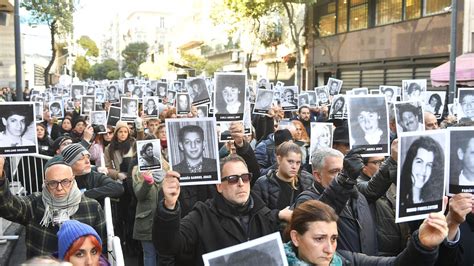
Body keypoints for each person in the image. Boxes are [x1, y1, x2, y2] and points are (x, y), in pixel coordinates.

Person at [153, 155, 282, 265]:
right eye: (233, 179)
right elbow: (168, 246)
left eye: (245, 177)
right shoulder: (201, 217)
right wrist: (169, 207)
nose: (241, 183)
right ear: (219, 186)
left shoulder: (264, 215)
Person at [284, 200, 448, 266]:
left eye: (334, 238)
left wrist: (423, 245)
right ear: (296, 238)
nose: (329, 249)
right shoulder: (272, 261)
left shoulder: (346, 260)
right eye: (319, 239)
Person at [0, 157, 105, 258]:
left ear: (73, 179)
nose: (59, 188)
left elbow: (100, 248)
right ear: (45, 183)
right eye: (53, 183)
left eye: (65, 182)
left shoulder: (92, 207)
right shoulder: (35, 203)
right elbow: (8, 206)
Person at [294, 147, 378, 255]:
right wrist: (344, 180)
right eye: (335, 171)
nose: (341, 175)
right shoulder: (306, 201)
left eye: (344, 170)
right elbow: (321, 215)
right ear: (318, 176)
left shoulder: (358, 197)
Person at [253, 142, 313, 212]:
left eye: (298, 163)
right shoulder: (262, 184)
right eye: (290, 162)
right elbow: (259, 215)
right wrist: (278, 215)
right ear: (279, 159)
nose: (294, 167)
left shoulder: (308, 180)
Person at [400, 136, 444, 205]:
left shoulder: (434, 200)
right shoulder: (398, 198)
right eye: (419, 162)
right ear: (410, 162)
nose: (424, 170)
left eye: (429, 165)